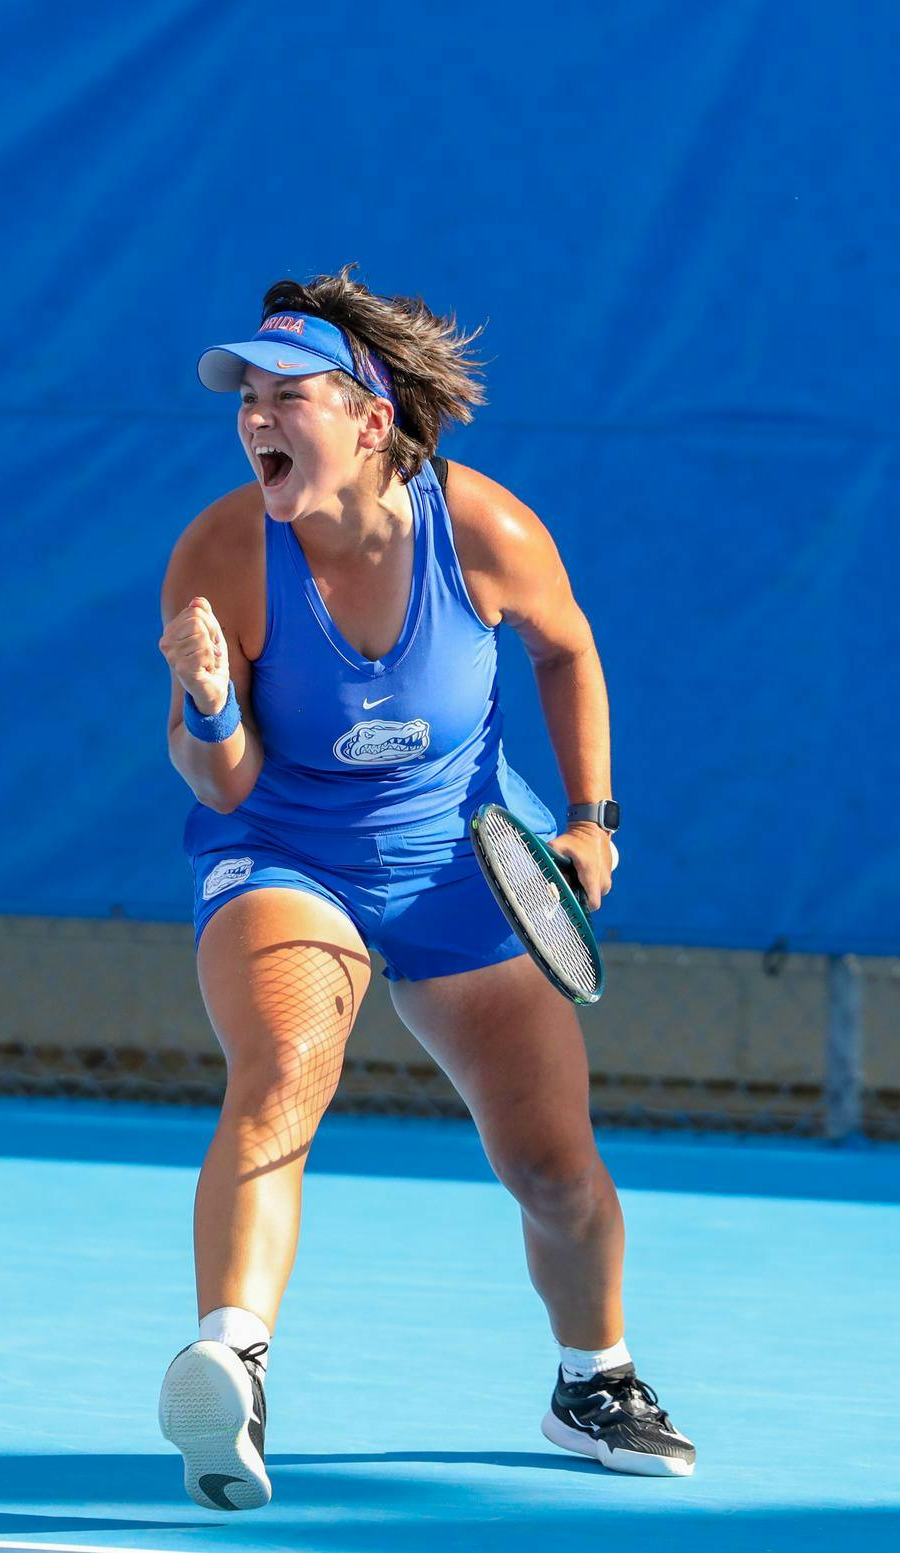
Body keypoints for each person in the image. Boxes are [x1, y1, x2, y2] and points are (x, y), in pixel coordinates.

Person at [153, 267, 694, 1511]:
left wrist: (592, 818)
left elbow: (567, 649)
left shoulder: (484, 531)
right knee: (282, 1067)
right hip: (285, 854)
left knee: (554, 1163)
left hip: (462, 861)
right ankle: (231, 1358)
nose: (256, 415)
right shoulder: (223, 549)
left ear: (370, 418)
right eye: (246, 395)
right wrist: (207, 701)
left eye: (290, 393)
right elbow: (222, 781)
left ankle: (591, 1378)